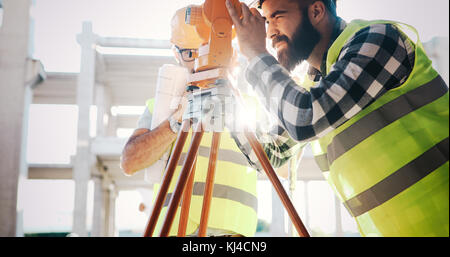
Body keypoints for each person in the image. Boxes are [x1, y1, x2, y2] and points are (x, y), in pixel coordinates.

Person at [225, 0, 449, 236]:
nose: (269, 32)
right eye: (266, 21)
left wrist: (256, 54)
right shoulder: (315, 84)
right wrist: (222, 87)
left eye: (277, 17)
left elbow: (306, 118)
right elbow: (271, 154)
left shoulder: (380, 40)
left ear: (316, 11)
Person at [120, 6, 258, 237]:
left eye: (206, 50)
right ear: (176, 53)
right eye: (189, 54)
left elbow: (281, 166)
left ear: (228, 50)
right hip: (174, 229)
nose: (197, 62)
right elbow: (129, 162)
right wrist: (176, 120)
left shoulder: (249, 106)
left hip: (232, 234)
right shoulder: (160, 107)